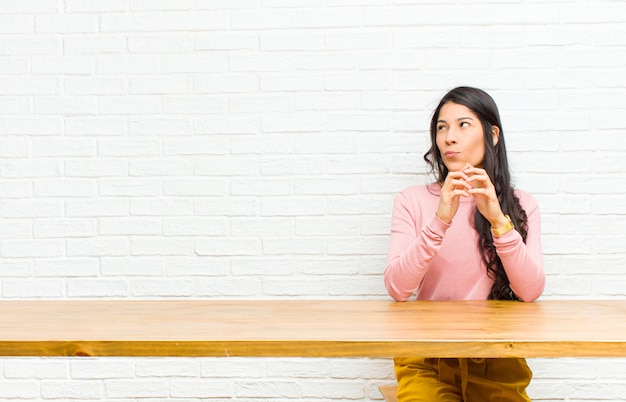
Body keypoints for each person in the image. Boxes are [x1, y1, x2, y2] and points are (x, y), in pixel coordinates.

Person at [384, 86, 545, 401]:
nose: (449, 137)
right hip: (426, 356)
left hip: (499, 358)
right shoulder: (411, 200)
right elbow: (397, 288)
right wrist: (441, 219)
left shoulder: (521, 204)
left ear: (493, 135)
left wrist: (498, 220)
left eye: (463, 125)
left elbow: (531, 291)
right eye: (441, 127)